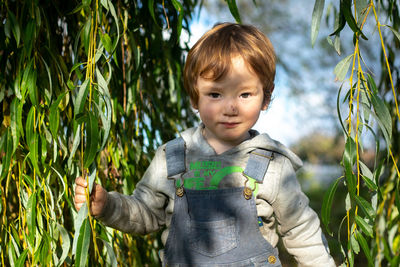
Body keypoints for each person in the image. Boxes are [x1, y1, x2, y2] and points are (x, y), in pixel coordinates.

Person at [75, 23, 336, 266]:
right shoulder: (172, 157)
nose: (231, 107)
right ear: (194, 97)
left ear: (265, 97)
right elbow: (146, 213)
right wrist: (108, 206)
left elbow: (301, 229)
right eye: (215, 94)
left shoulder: (273, 165)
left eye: (245, 94)